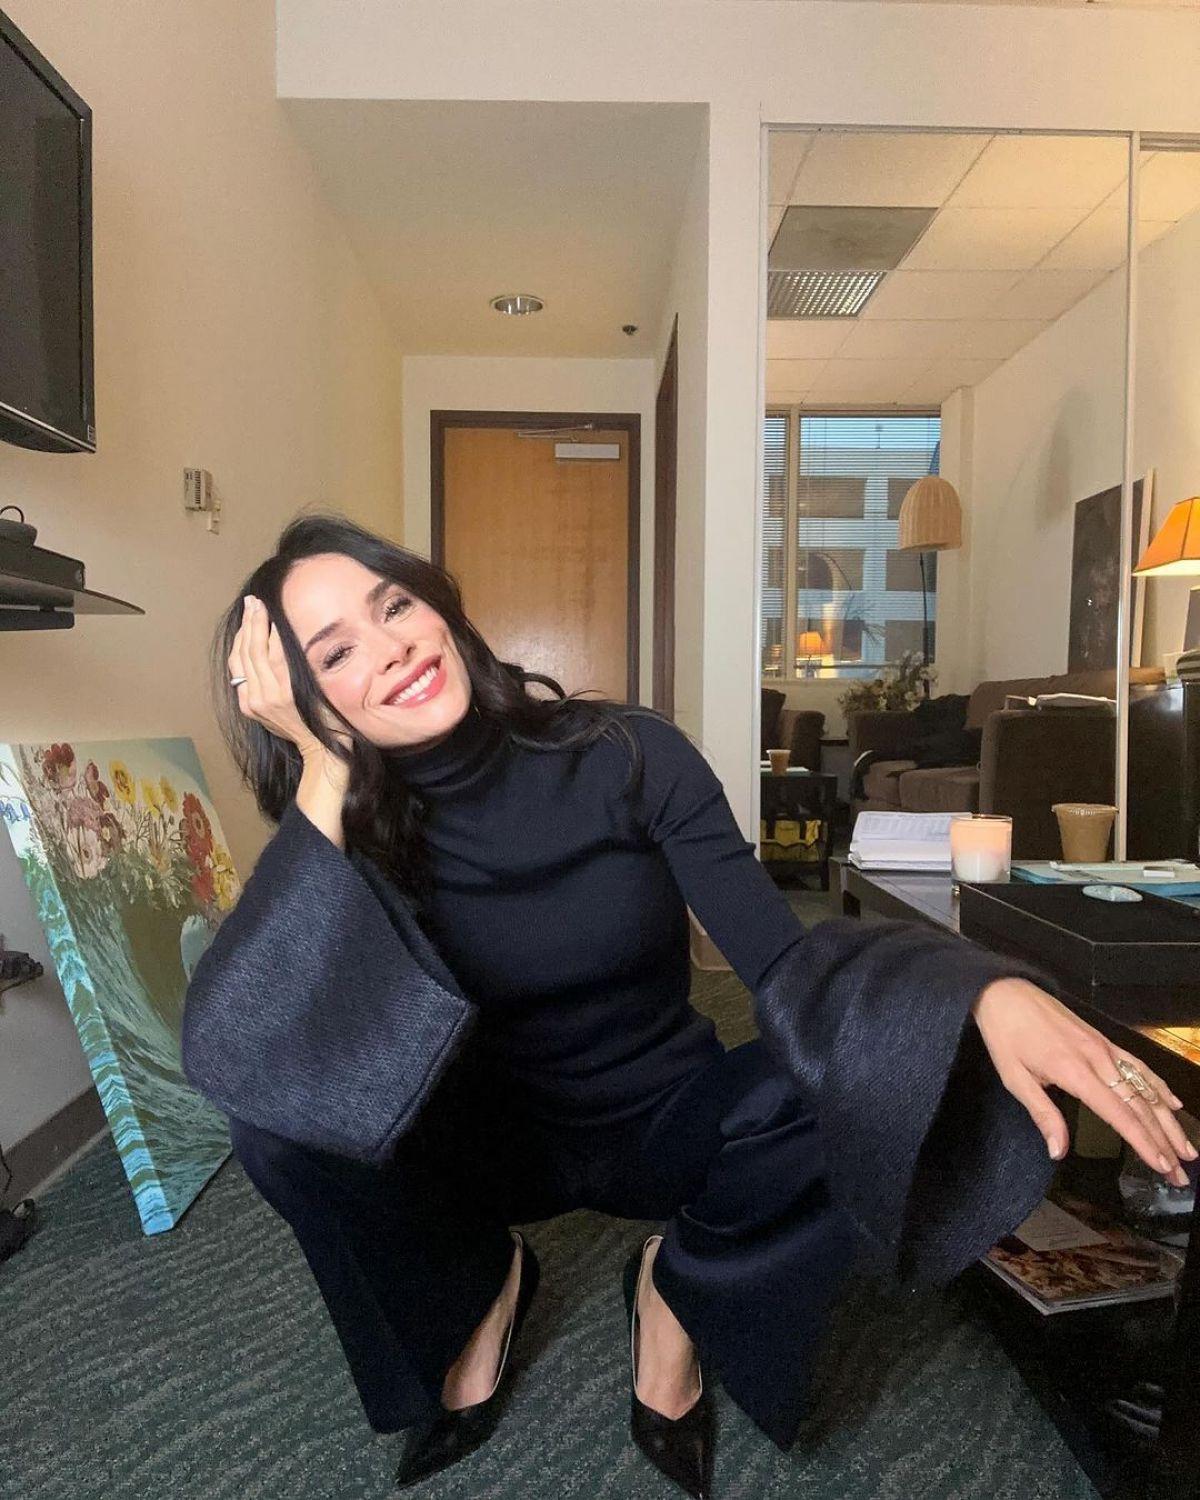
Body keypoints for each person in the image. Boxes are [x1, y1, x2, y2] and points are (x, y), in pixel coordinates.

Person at [183, 511, 1194, 1499]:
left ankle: (676, 1295)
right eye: (337, 652)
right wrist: (323, 770)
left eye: (394, 604)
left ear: (438, 605)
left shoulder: (628, 752)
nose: (393, 647)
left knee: (860, 1063)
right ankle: (479, 1283)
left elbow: (786, 970)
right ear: (303, 702)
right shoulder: (345, 824)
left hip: (663, 1120)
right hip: (479, 1148)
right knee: (277, 1119)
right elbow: (241, 1044)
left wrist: (973, 991)